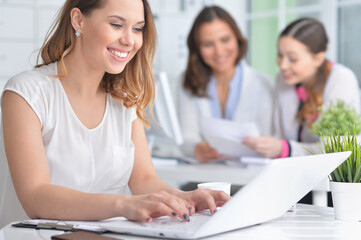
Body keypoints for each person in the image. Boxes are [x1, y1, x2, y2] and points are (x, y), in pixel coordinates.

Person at [0, 0, 230, 228]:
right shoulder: (26, 93)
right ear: (78, 20)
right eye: (116, 25)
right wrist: (124, 205)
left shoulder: (124, 99)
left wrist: (183, 197)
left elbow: (143, 179)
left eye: (138, 28)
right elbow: (36, 197)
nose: (129, 40)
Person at [243, 18, 361, 159]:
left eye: (292, 59)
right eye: (280, 56)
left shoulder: (341, 78)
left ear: (318, 59)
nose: (283, 66)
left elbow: (341, 148)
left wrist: (287, 149)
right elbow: (279, 134)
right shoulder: (282, 79)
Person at [178, 6, 274, 162]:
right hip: (205, 177)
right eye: (208, 44)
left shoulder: (263, 83)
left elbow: (271, 139)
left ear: (237, 38)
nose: (219, 51)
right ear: (197, 49)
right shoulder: (188, 82)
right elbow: (187, 139)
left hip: (250, 176)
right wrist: (197, 149)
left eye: (225, 40)